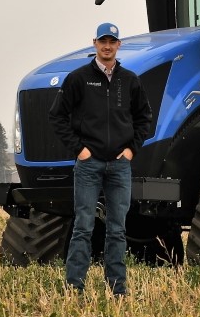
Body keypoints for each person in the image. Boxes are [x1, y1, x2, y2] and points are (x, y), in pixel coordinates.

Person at [49, 22, 152, 296]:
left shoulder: (130, 80)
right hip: (88, 164)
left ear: (119, 45)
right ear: (94, 43)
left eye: (113, 41)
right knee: (83, 226)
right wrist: (79, 150)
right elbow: (57, 116)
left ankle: (117, 289)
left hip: (120, 165)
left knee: (117, 230)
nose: (107, 46)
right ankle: (74, 287)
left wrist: (131, 149)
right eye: (103, 41)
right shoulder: (78, 78)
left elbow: (145, 118)